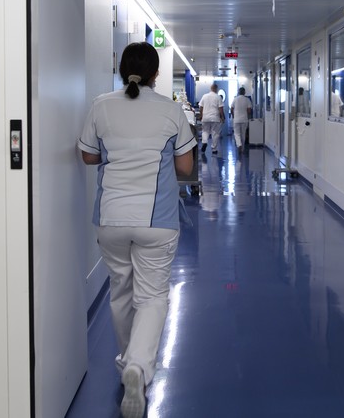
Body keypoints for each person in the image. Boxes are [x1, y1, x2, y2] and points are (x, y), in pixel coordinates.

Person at [77, 42, 196, 418]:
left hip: (111, 218)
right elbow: (186, 168)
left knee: (121, 291)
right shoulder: (170, 110)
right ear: (156, 74)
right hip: (156, 220)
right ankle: (138, 367)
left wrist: (115, 154)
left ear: (120, 69)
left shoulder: (101, 105)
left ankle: (129, 358)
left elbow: (88, 154)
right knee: (152, 295)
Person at [199, 83, 225, 155]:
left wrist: (201, 115)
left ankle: (204, 142)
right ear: (216, 89)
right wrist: (222, 117)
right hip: (215, 118)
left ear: (210, 88)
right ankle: (214, 149)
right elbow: (220, 109)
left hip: (205, 117)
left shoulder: (204, 96)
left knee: (205, 131)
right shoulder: (218, 97)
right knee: (215, 133)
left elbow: (201, 107)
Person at [230, 87, 253, 153]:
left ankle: (239, 144)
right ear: (244, 92)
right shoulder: (247, 100)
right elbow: (249, 111)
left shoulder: (235, 99)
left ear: (238, 92)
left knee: (237, 133)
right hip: (244, 119)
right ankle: (242, 148)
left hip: (236, 119)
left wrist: (234, 116)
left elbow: (231, 109)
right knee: (243, 134)